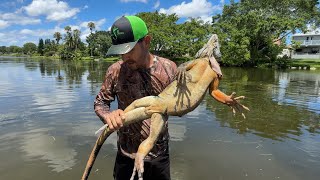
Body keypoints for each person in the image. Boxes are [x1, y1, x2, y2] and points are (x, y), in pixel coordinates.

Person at [94, 15, 177, 180]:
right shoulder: (115, 71)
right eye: (120, 52)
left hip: (158, 156)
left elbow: (181, 105)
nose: (125, 57)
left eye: (130, 50)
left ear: (146, 41)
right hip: (125, 155)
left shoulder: (169, 69)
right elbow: (101, 102)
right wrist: (108, 115)